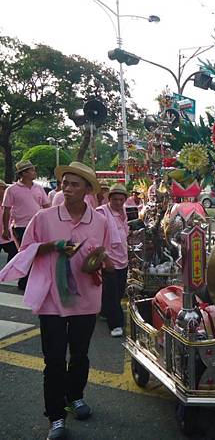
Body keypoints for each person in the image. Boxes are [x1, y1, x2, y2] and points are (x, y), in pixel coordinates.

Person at [0, 161, 114, 440]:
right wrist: (52, 247)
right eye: (65, 183)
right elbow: (25, 250)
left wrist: (96, 261)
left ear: (88, 190)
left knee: (79, 355)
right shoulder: (44, 218)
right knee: (53, 360)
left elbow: (107, 258)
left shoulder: (99, 221)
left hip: (86, 298)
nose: (67, 188)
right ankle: (56, 417)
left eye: (75, 184)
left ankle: (75, 397)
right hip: (52, 299)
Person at [1, 160, 50, 290]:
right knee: (25, 254)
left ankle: (31, 280)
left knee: (38, 253)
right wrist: (5, 229)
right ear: (23, 173)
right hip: (20, 226)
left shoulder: (39, 188)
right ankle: (23, 282)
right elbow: (6, 210)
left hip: (38, 226)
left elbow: (46, 206)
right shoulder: (12, 189)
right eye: (32, 170)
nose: (34, 172)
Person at [96, 184, 129, 338]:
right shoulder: (101, 212)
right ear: (109, 199)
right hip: (108, 259)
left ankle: (104, 311)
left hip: (123, 257)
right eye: (115, 199)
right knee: (112, 292)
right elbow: (95, 238)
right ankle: (116, 324)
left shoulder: (123, 213)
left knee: (119, 291)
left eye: (121, 199)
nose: (118, 202)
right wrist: (105, 258)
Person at [0, 180, 18, 265]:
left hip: (8, 235)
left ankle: (7, 272)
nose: (4, 190)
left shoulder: (9, 204)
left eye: (5, 188)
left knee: (14, 252)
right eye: (3, 188)